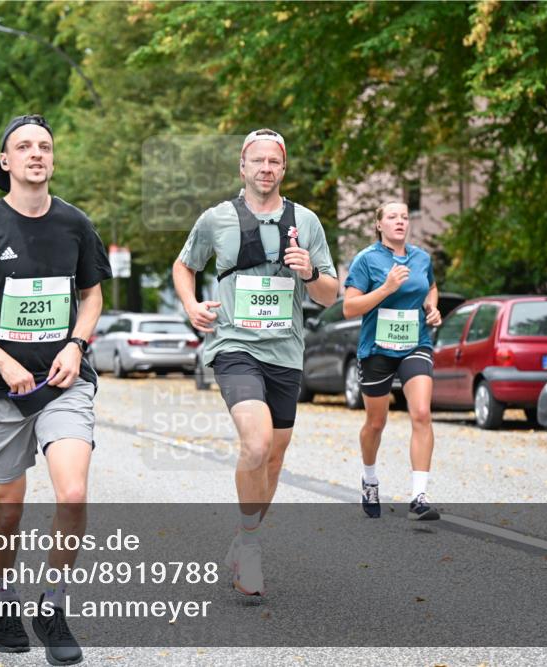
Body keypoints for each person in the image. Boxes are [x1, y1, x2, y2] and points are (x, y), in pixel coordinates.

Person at [0, 114, 111, 664]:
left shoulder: (76, 224)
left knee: (73, 493)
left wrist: (76, 345)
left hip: (65, 381)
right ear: (5, 162)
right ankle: (5, 596)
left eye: (45, 146)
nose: (37, 154)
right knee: (8, 511)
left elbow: (92, 296)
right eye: (24, 147)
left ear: (53, 160)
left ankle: (53, 604)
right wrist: (4, 361)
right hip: (1, 388)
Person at [172, 128, 339, 596]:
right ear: (243, 167)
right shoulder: (217, 219)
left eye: (275, 162)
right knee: (258, 443)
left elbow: (330, 294)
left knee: (274, 457)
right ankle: (250, 546)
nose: (266, 169)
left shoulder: (306, 222)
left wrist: (308, 272)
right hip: (234, 346)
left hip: (286, 351)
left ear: (284, 169)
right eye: (258, 161)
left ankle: (245, 537)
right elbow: (184, 265)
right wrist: (190, 304)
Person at [342, 201, 442, 521]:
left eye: (404, 217)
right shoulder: (366, 260)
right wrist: (386, 288)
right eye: (392, 217)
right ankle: (370, 479)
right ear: (379, 225)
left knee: (422, 413)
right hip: (377, 349)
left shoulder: (421, 258)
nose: (399, 221)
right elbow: (350, 308)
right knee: (376, 423)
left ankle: (419, 496)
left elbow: (432, 287)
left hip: (415, 343)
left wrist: (431, 307)